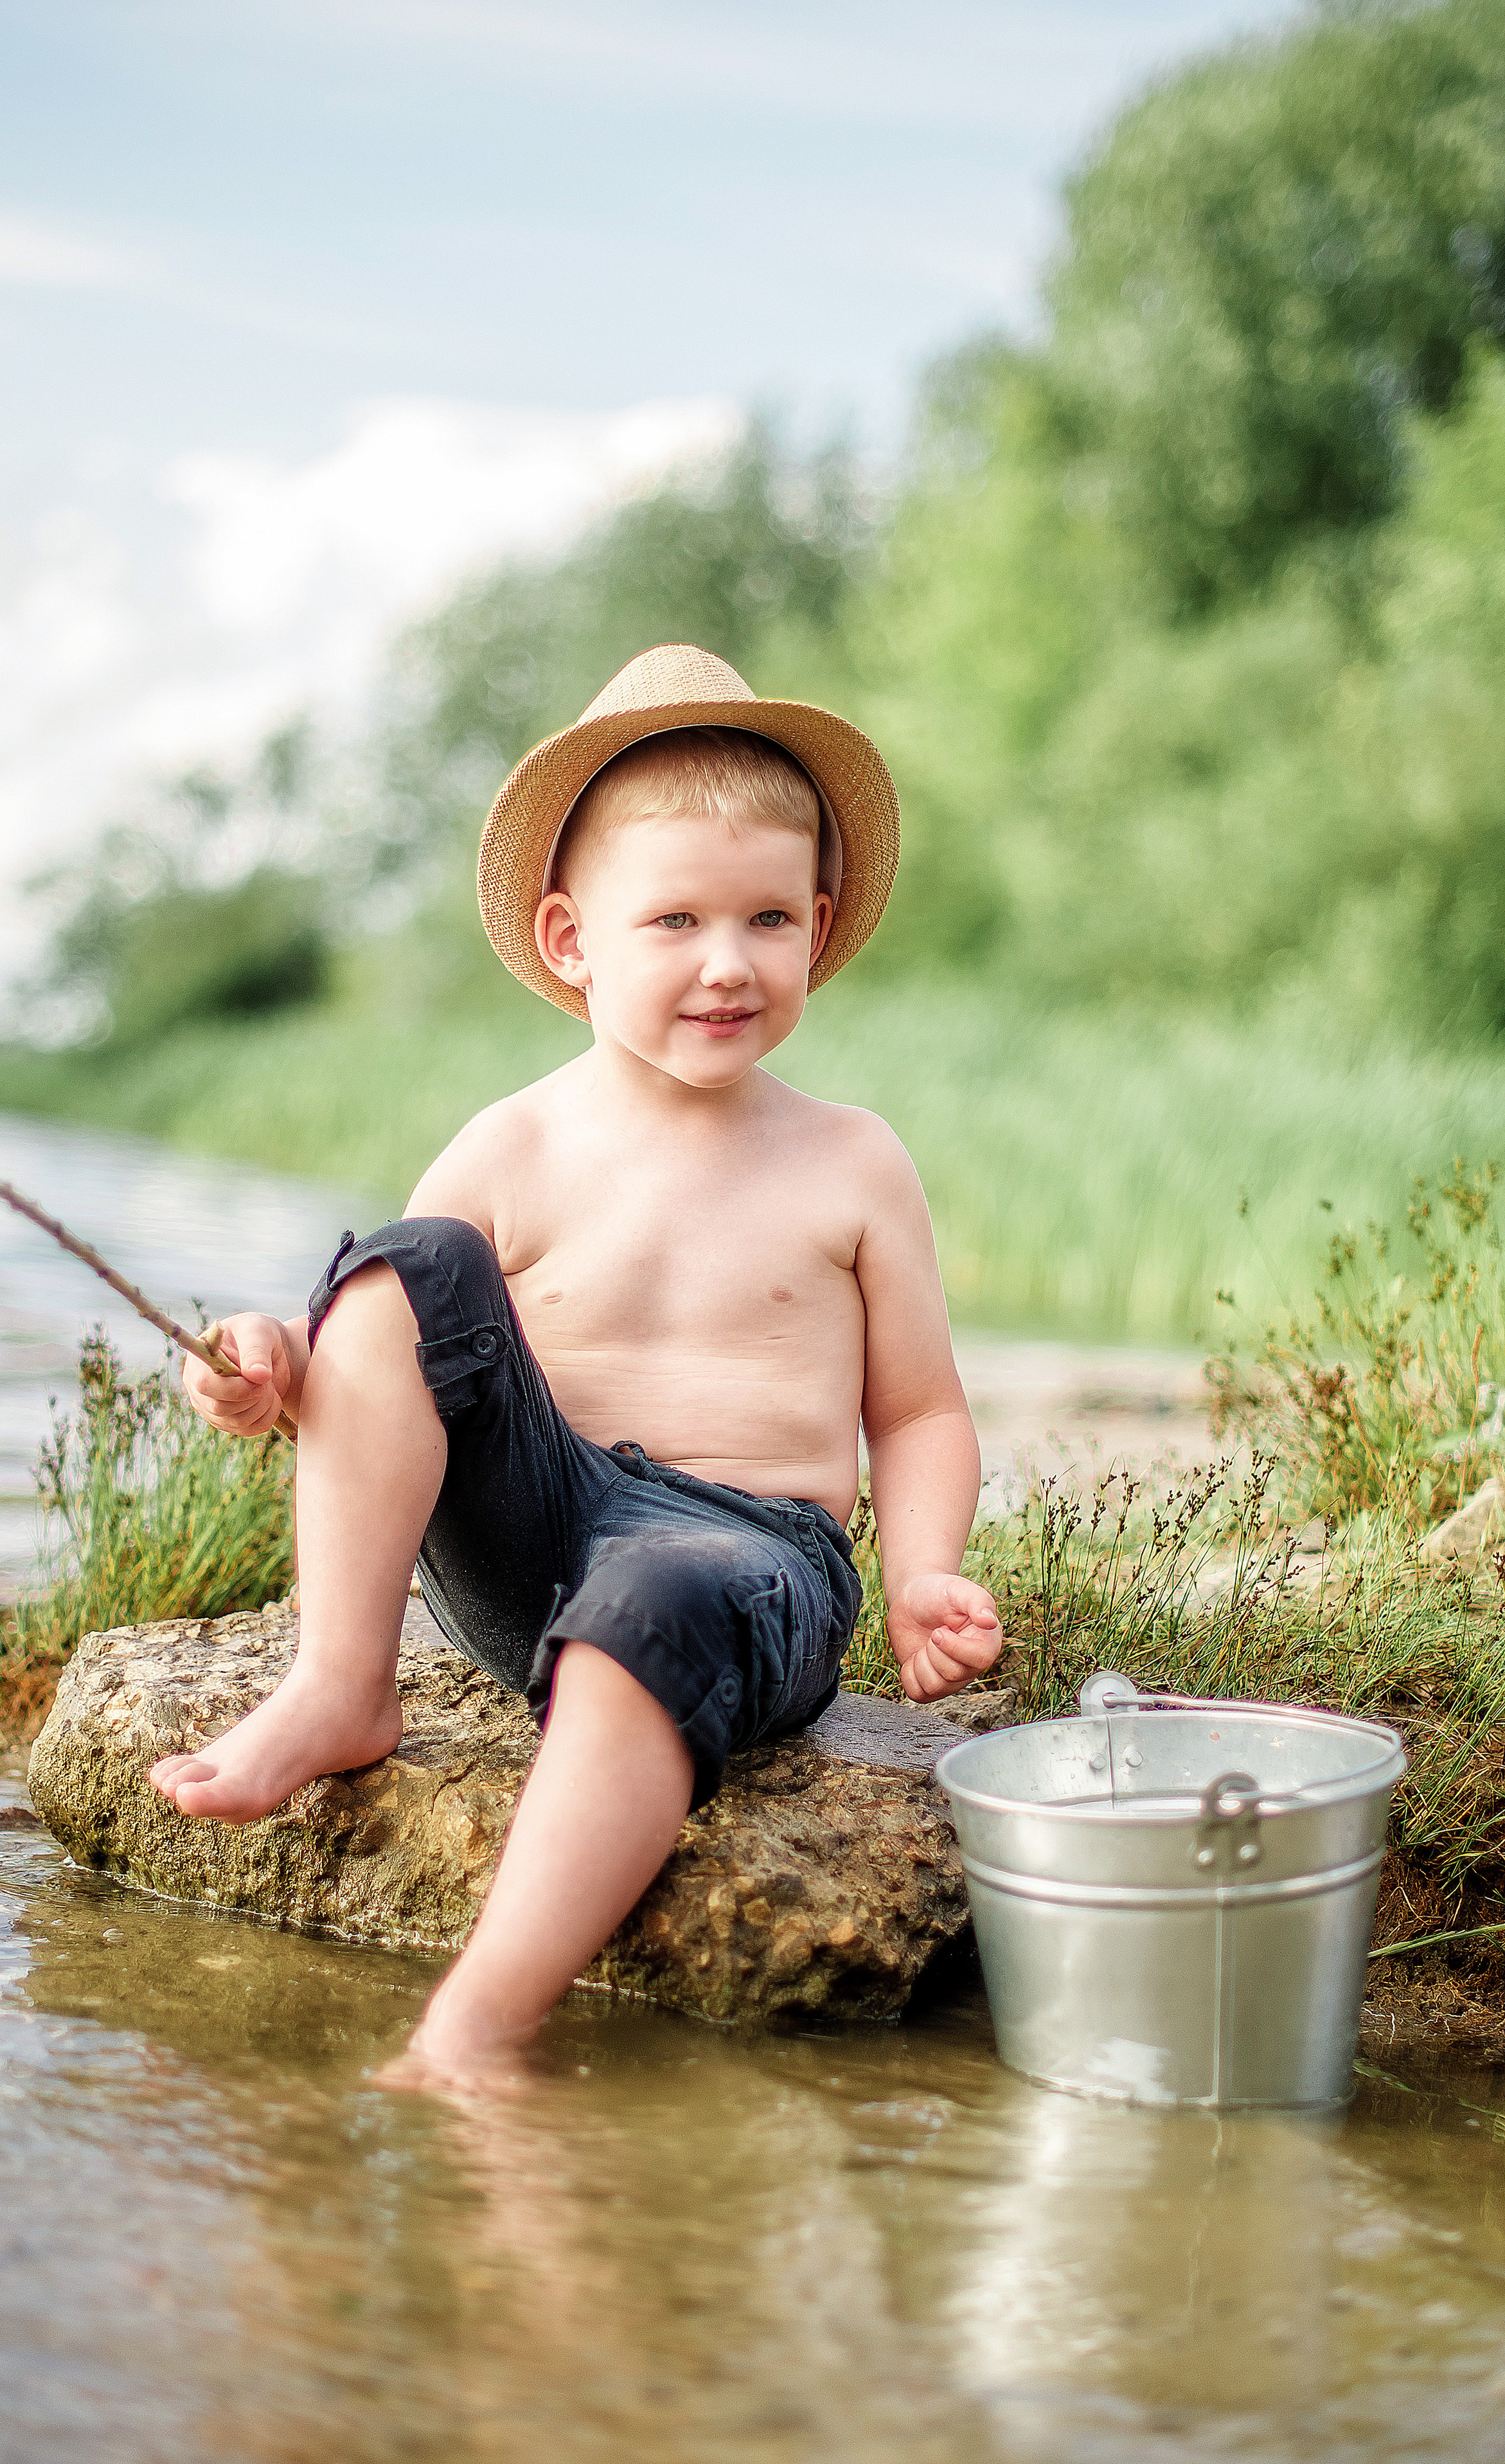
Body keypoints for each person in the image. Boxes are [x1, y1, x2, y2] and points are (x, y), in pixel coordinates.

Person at [157, 643, 1002, 2082]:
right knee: (404, 1265)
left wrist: (922, 1570)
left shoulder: (851, 1161)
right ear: (571, 941)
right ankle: (340, 1681)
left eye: (763, 919)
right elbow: (392, 1352)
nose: (724, 962)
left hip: (745, 1561)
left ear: (819, 920)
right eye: (670, 919)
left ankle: (480, 2026)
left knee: (652, 1594)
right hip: (526, 1542)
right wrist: (270, 1367)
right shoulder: (516, 1142)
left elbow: (917, 1410)